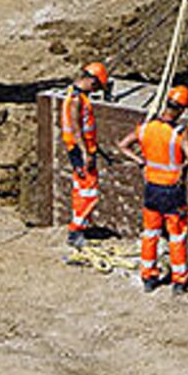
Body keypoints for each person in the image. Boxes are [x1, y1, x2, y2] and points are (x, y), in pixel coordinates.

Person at [117, 84, 188, 293]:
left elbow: (122, 145)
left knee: (150, 233)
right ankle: (180, 280)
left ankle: (148, 277)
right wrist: (182, 168)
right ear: (181, 110)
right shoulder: (178, 134)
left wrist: (141, 161)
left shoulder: (145, 127)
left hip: (152, 188)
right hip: (172, 190)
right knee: (177, 235)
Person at [61, 62, 108, 248]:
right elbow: (75, 126)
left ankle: (80, 226)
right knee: (89, 191)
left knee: (81, 189)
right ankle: (76, 230)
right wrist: (85, 152)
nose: (95, 90)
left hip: (82, 148)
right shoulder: (76, 99)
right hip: (80, 150)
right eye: (96, 85)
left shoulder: (76, 94)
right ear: (90, 79)